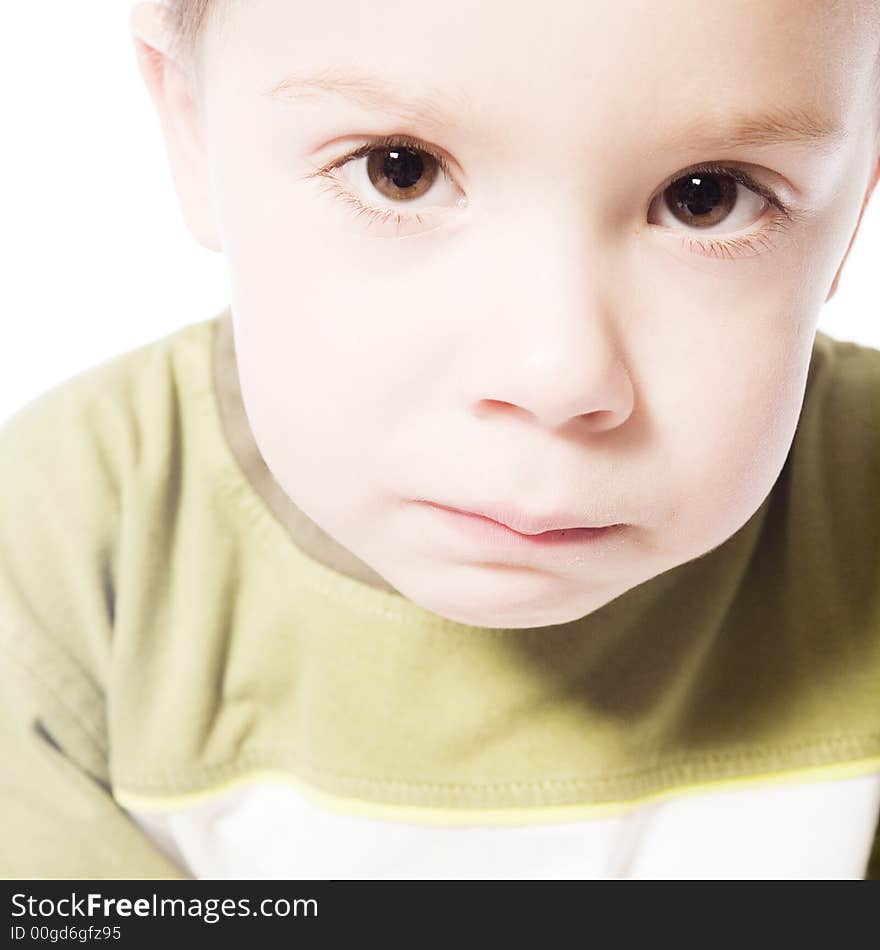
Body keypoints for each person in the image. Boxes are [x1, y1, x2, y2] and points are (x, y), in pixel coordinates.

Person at [1, 0, 879, 879]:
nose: (556, 373)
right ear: (190, 121)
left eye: (707, 196)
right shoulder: (58, 566)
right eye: (402, 171)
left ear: (857, 200)